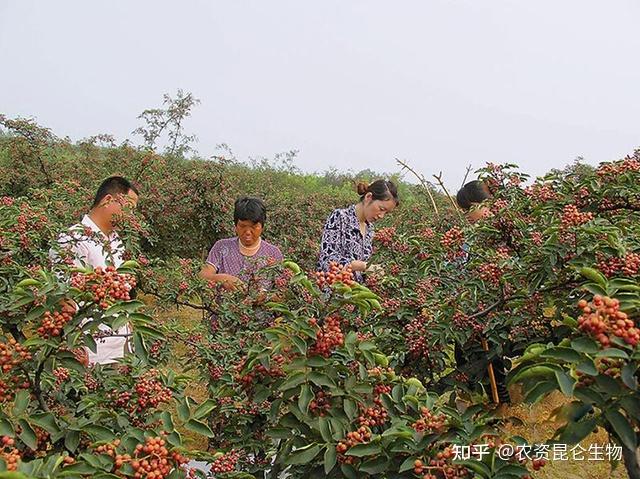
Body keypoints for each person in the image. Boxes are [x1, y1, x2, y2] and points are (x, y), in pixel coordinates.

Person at [52, 176, 139, 365]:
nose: (131, 216)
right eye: (129, 208)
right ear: (108, 200)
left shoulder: (118, 243)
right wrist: (73, 345)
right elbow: (63, 298)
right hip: (91, 354)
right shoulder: (72, 239)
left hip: (121, 349)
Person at [455, 179, 510, 405]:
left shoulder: (501, 231)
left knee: (492, 360)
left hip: (491, 307)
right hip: (472, 306)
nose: (466, 215)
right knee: (465, 353)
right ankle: (479, 404)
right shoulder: (471, 234)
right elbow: (459, 268)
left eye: (469, 209)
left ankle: (501, 407)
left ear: (481, 204)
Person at [318, 179, 399, 283]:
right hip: (333, 293)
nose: (381, 216)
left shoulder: (370, 229)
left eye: (386, 213)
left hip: (356, 296)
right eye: (381, 209)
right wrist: (364, 266)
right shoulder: (340, 217)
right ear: (368, 197)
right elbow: (327, 261)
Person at [199, 197, 283, 288]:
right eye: (242, 226)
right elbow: (202, 276)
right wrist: (222, 279)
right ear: (235, 225)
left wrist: (264, 297)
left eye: (254, 227)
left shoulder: (273, 253)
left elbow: (282, 290)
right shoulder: (222, 247)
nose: (247, 232)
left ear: (262, 226)